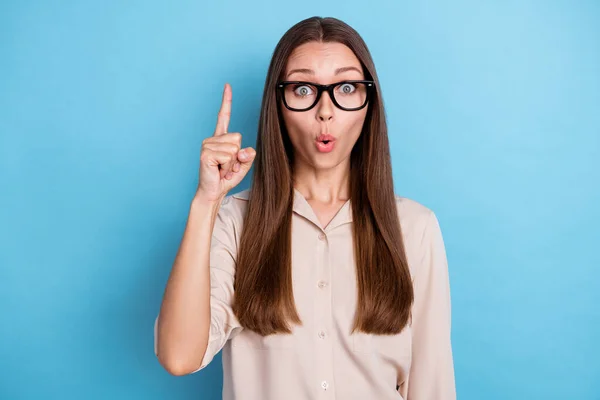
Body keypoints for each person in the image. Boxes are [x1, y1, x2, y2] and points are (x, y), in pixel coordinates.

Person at [154, 16, 456, 400]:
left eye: (346, 87)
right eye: (302, 88)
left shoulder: (415, 228)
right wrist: (206, 202)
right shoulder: (233, 220)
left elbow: (432, 386)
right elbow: (179, 356)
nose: (325, 111)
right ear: (277, 104)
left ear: (369, 103)